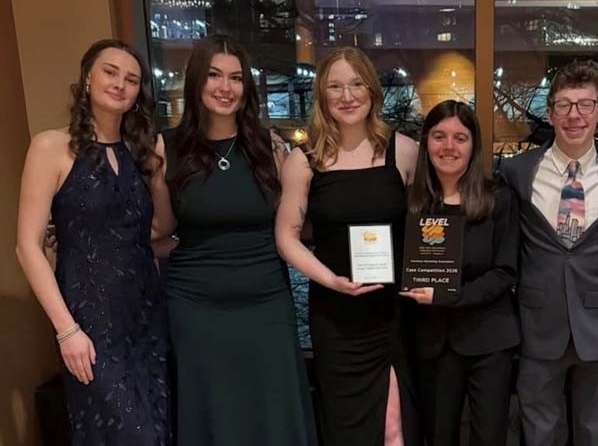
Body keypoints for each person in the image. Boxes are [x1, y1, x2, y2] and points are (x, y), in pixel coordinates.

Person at [152, 34, 316, 445]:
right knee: (212, 412)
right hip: (196, 307)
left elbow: (295, 226)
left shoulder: (270, 146)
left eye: (236, 78)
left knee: (273, 409)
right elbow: (160, 227)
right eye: (214, 75)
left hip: (266, 302)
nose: (225, 87)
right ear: (196, 81)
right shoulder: (166, 147)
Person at [16, 39, 170, 445]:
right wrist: (66, 330)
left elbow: (159, 228)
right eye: (110, 72)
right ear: (87, 78)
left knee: (158, 431)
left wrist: (158, 171)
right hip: (90, 320)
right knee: (132, 435)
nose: (120, 84)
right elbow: (27, 247)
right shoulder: (50, 147)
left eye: (131, 79)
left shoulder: (140, 151)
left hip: (146, 314)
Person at [275, 46, 420, 445]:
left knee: (394, 428)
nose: (347, 95)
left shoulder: (404, 152)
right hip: (335, 316)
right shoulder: (304, 160)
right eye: (335, 86)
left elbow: (423, 229)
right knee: (345, 431)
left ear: (372, 90)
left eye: (356, 84)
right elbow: (286, 237)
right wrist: (331, 280)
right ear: (322, 95)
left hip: (391, 314)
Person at [499, 60, 598, 446]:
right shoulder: (517, 171)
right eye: (564, 105)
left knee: (595, 432)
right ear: (550, 113)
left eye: (585, 104)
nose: (574, 115)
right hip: (538, 325)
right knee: (539, 433)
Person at [399, 100, 520, 446]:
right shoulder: (410, 204)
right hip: (432, 342)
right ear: (426, 142)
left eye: (460, 138)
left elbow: (504, 273)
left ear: (473, 145)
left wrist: (447, 296)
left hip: (489, 340)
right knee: (438, 437)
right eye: (439, 136)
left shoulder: (499, 199)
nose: (449, 146)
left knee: (489, 438)